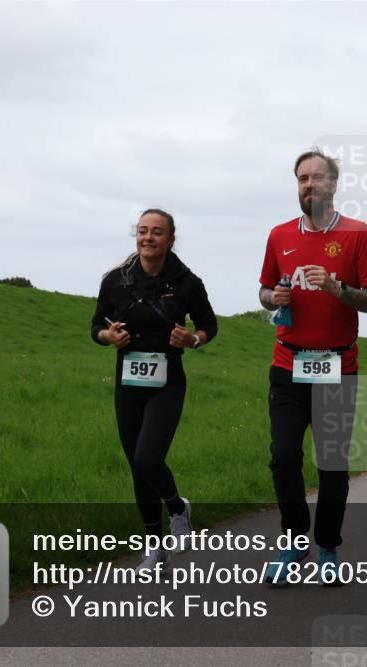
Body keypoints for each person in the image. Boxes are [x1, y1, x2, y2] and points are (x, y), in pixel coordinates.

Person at [258, 149, 367, 586]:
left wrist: (336, 288)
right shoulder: (278, 235)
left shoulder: (357, 234)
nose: (309, 185)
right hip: (287, 364)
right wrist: (272, 298)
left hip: (337, 366)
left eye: (316, 178)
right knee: (283, 457)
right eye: (302, 179)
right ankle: (294, 541)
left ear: (333, 184)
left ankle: (327, 546)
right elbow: (263, 291)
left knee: (332, 464)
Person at [91, 208, 218, 572]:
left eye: (157, 232)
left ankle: (177, 507)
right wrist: (108, 335)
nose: (148, 237)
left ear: (170, 239)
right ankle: (154, 547)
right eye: (143, 231)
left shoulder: (187, 282)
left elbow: (209, 325)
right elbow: (96, 327)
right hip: (128, 380)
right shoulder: (115, 280)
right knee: (137, 467)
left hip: (167, 381)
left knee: (148, 459)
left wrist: (192, 339)